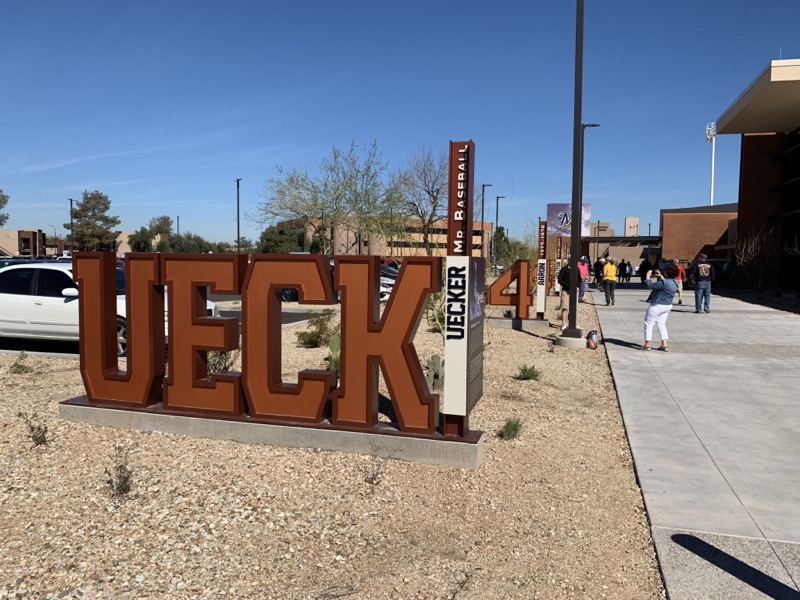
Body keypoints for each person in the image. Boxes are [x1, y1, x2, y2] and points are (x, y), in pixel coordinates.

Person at [642, 262, 680, 351]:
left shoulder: (664, 283)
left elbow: (650, 285)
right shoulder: (675, 282)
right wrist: (661, 276)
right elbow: (666, 283)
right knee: (661, 324)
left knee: (648, 324)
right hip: (667, 306)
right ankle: (664, 345)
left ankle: (647, 344)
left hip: (657, 305)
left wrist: (647, 276)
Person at [557, 262, 571, 331]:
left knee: (572, 308)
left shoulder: (576, 269)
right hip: (566, 291)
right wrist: (568, 286)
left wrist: (577, 286)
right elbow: (560, 280)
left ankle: (571, 323)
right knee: (565, 307)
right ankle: (564, 323)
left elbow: (579, 279)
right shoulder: (564, 269)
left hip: (574, 292)